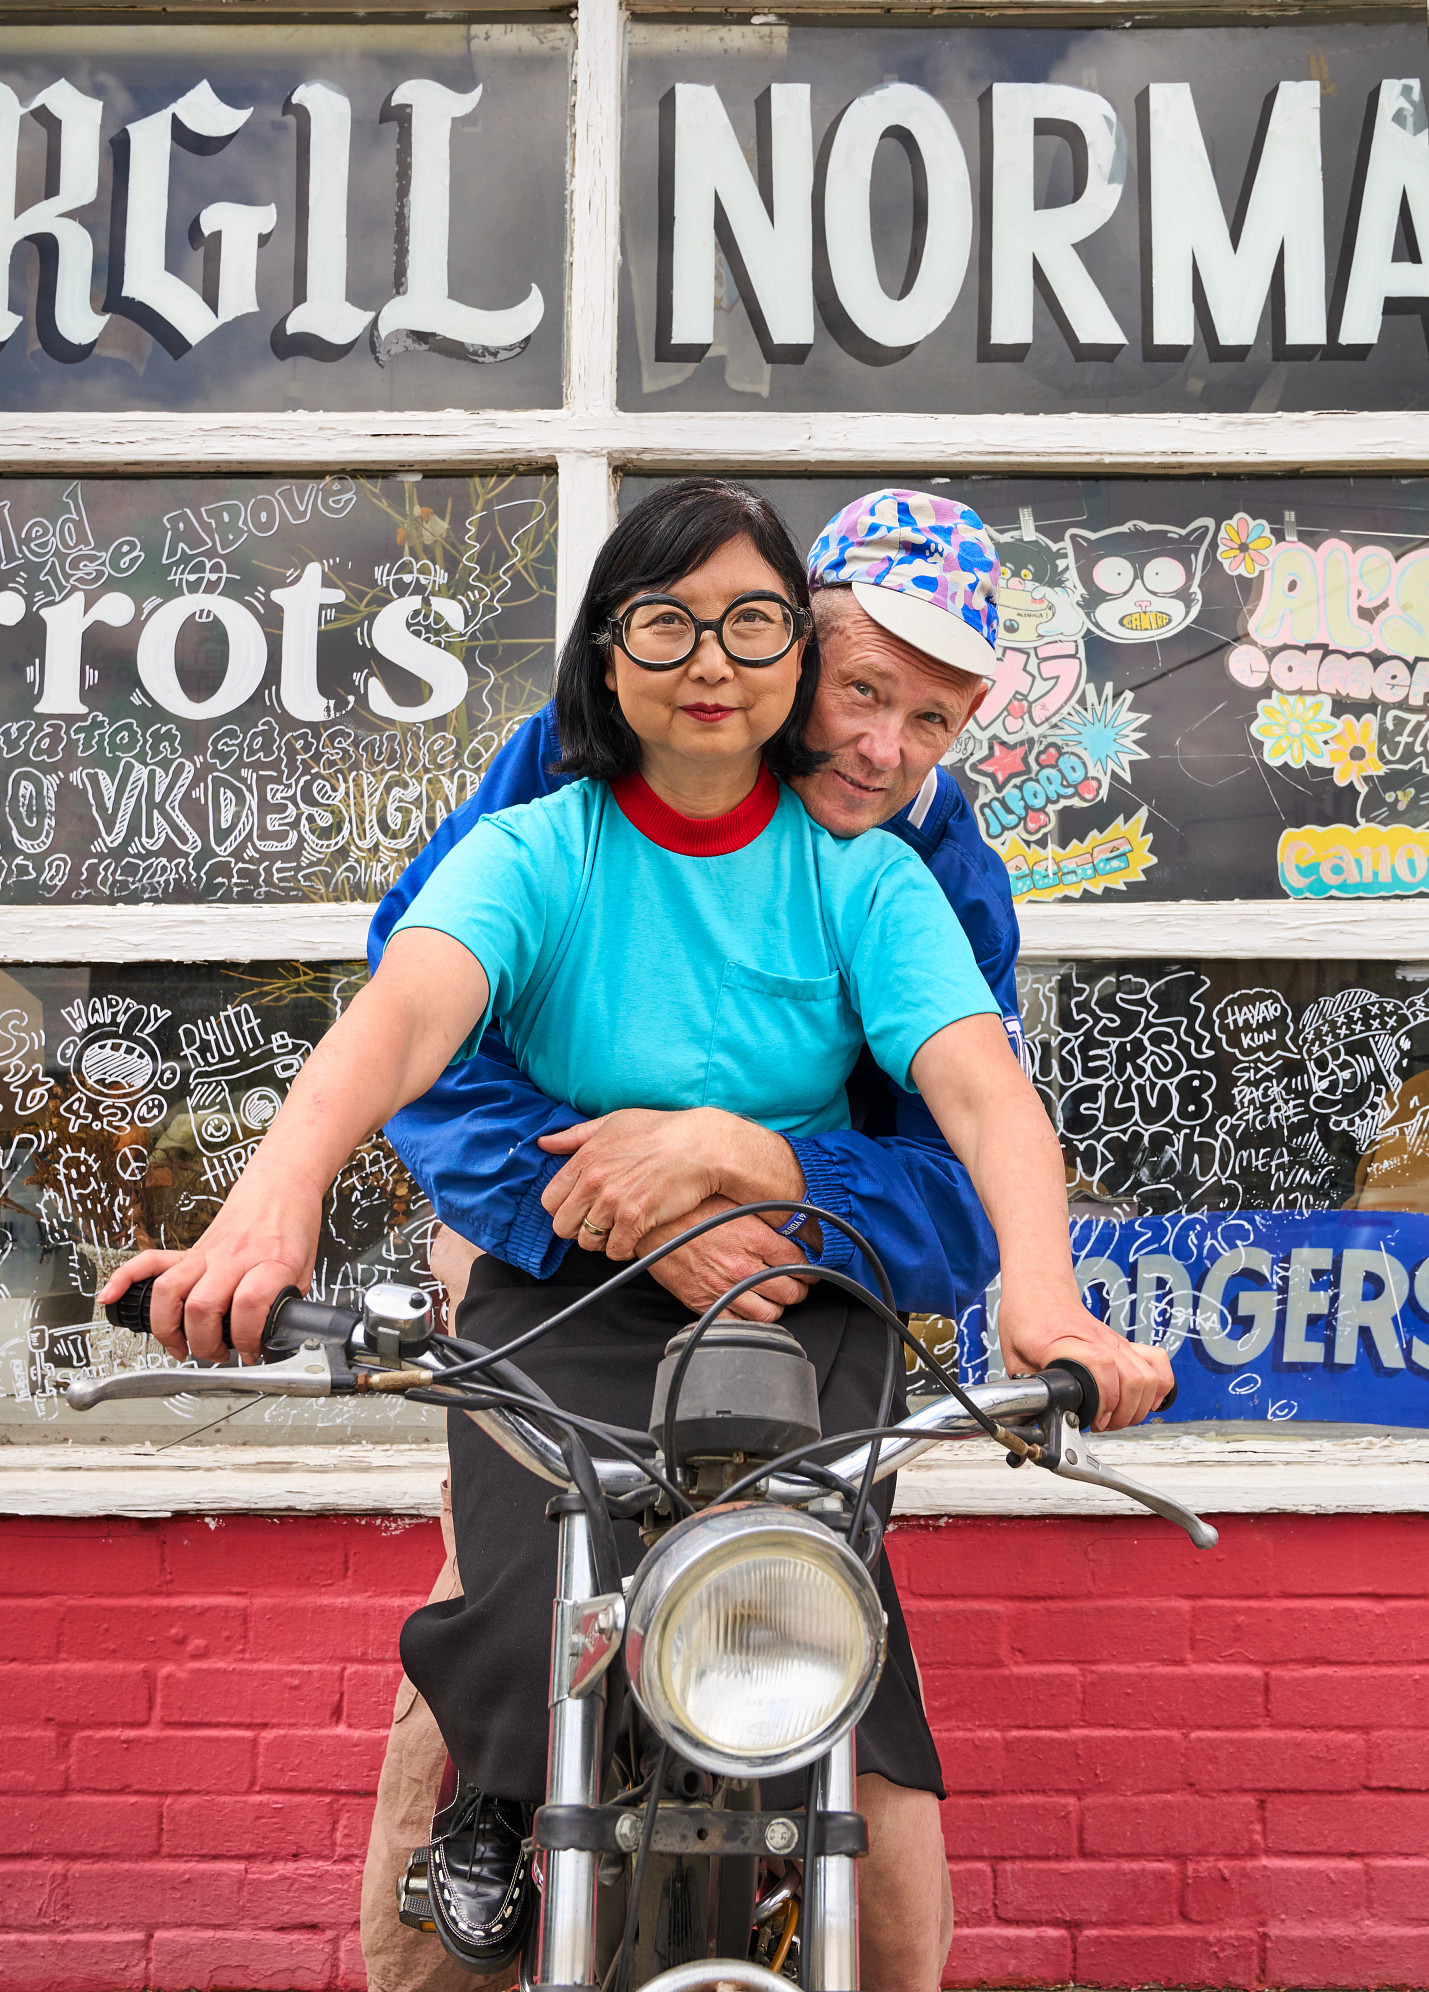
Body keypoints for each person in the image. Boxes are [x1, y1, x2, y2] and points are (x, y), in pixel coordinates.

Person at [104, 481, 1172, 1992]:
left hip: (803, 1278)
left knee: (865, 1725)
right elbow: (411, 1024)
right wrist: (268, 1215)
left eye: (933, 719)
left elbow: (977, 1116)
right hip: (547, 1260)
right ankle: (484, 1816)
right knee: (518, 1603)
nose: (884, 744)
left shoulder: (900, 866)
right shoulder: (563, 802)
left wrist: (812, 1198)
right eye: (860, 687)